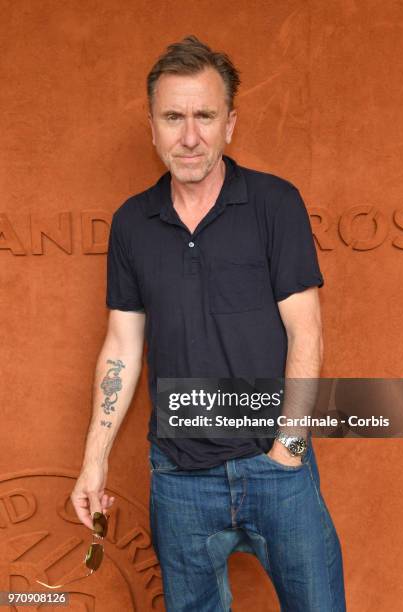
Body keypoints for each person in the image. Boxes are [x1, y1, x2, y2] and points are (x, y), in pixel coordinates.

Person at [71, 35, 346, 611]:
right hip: (179, 478)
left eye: (204, 116)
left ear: (230, 123)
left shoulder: (275, 204)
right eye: (173, 117)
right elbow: (121, 345)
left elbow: (307, 332)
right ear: (151, 126)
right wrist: (93, 462)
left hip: (275, 466)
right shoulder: (133, 223)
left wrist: (289, 449)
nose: (189, 136)